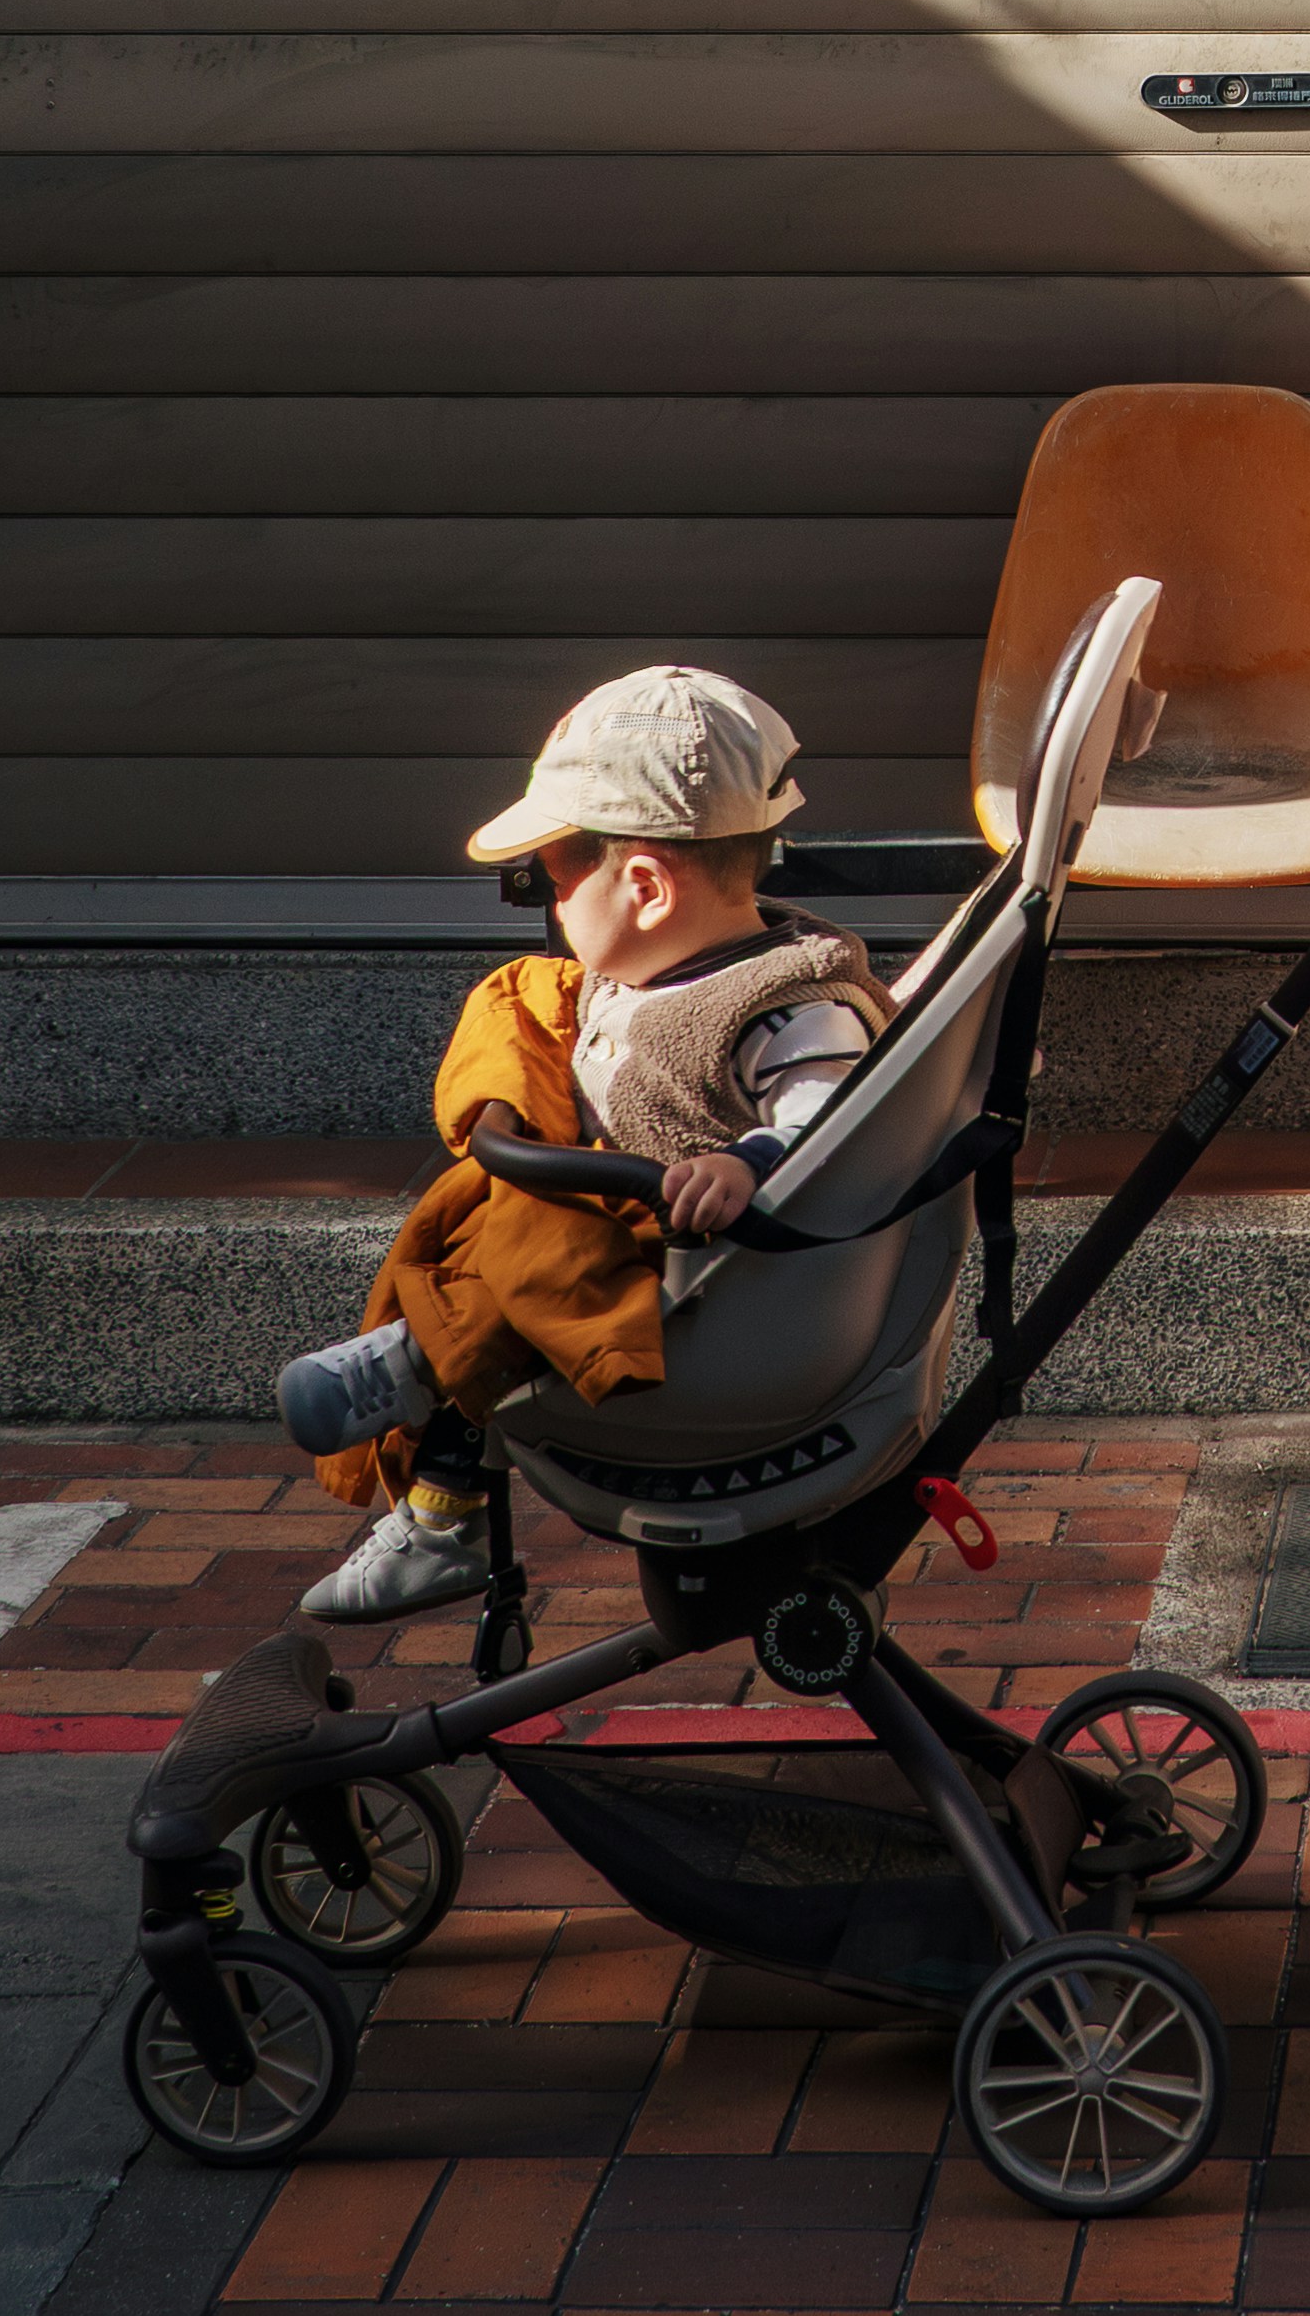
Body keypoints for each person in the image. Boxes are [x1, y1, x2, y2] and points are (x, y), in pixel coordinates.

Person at [277, 664, 890, 1623]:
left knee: (526, 1240)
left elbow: (835, 1126)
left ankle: (419, 1385)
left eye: (554, 877)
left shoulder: (786, 1007)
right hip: (608, 1216)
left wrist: (744, 1162)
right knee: (518, 1009)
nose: (547, 900)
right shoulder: (647, 965)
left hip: (693, 1286)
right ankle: (442, 1504)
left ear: (643, 883)